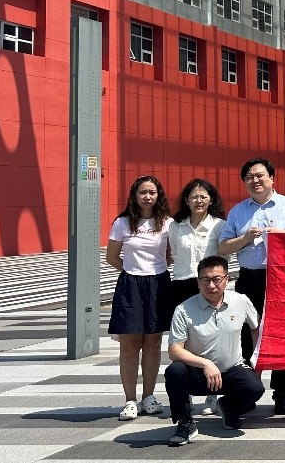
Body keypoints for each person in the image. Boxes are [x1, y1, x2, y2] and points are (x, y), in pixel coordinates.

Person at [218, 157, 285, 414]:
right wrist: (244, 238)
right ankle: (248, 390)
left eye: (260, 176)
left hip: (282, 278)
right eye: (249, 177)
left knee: (282, 334)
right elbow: (223, 247)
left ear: (272, 178)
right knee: (246, 333)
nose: (255, 181)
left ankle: (282, 392)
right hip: (249, 279)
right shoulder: (238, 211)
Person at [163, 256, 265, 446]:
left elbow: (256, 327)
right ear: (198, 281)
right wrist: (205, 363)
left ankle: (229, 406)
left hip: (232, 370)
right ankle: (185, 422)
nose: (211, 285)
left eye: (217, 279)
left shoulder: (241, 301)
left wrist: (256, 359)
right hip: (198, 373)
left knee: (255, 388)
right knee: (174, 371)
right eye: (205, 279)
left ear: (227, 279)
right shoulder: (184, 309)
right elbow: (174, 351)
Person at [106, 175, 173, 421]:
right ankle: (130, 400)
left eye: (152, 192)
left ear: (159, 195)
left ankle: (149, 396)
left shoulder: (168, 223)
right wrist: (133, 270)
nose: (147, 197)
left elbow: (170, 254)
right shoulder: (122, 223)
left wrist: (154, 269)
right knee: (129, 344)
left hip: (158, 284)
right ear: (134, 196)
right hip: (130, 284)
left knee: (154, 342)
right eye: (143, 192)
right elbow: (112, 257)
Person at [168, 178, 227, 416]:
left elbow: (223, 256)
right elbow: (174, 253)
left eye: (203, 196)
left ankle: (213, 394)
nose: (198, 200)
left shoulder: (219, 225)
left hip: (210, 285)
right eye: (194, 196)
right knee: (185, 341)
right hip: (183, 283)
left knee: (211, 339)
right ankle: (186, 392)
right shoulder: (176, 226)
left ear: (211, 200)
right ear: (186, 200)